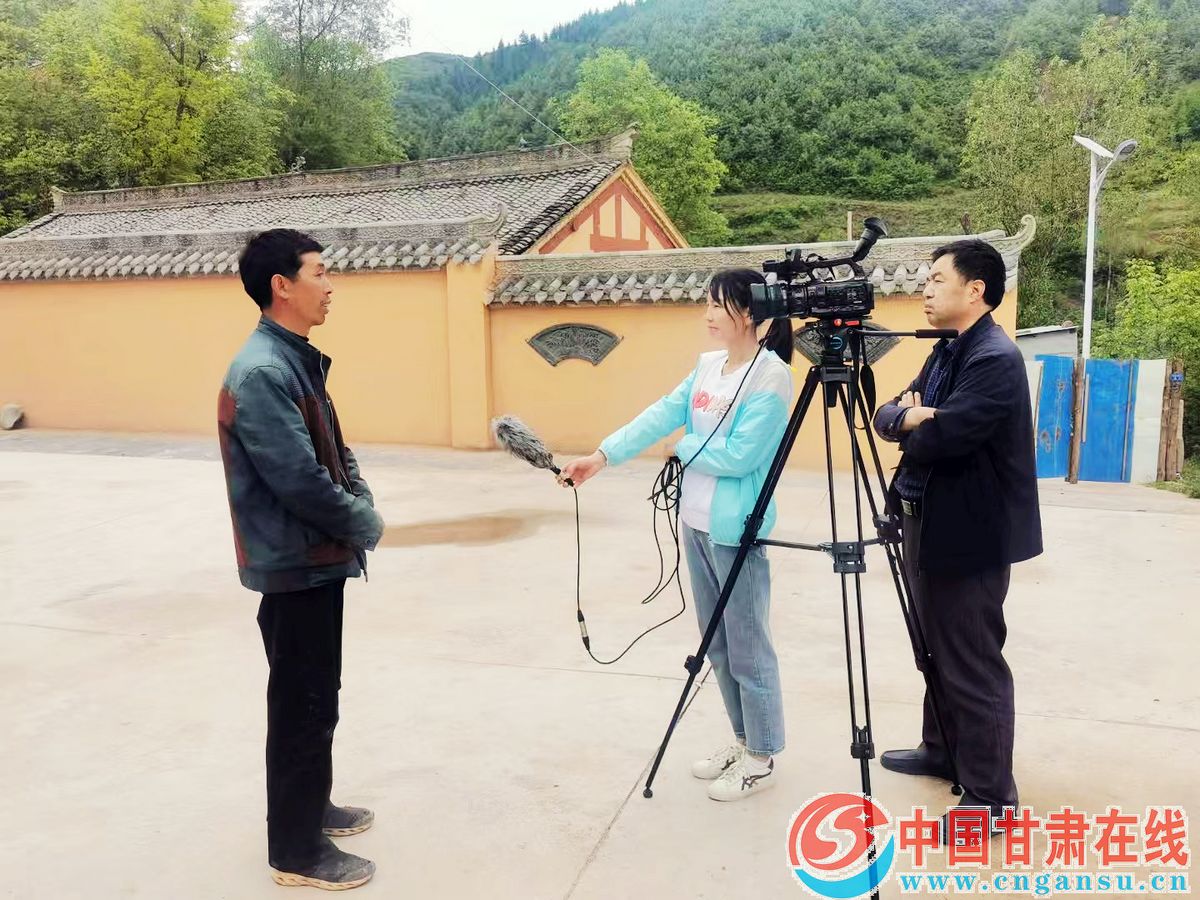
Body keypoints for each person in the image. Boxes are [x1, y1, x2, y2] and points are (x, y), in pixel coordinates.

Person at [561, 269, 794, 802]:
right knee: (716, 643)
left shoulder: (770, 376)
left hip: (736, 531)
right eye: (707, 304)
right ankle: (743, 740)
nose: (707, 314)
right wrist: (602, 455)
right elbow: (661, 414)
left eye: (718, 305)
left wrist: (684, 447)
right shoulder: (709, 366)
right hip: (695, 522)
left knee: (748, 646)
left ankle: (762, 756)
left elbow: (741, 456)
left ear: (751, 314)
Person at [217, 228, 385, 890]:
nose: (330, 285)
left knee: (318, 696)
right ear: (281, 286)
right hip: (295, 564)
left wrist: (360, 497)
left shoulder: (293, 359)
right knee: (301, 706)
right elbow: (299, 481)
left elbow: (335, 453)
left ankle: (313, 808)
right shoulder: (262, 371)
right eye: (319, 272)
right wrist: (362, 520)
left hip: (317, 556)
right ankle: (295, 853)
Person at [871, 239, 1042, 831]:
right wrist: (909, 415)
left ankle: (992, 798)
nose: (925, 288)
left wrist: (917, 421)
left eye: (937, 279)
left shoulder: (994, 357)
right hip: (928, 517)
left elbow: (946, 437)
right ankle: (942, 748)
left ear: (975, 290)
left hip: (971, 533)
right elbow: (886, 413)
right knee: (934, 647)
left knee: (971, 659)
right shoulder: (948, 350)